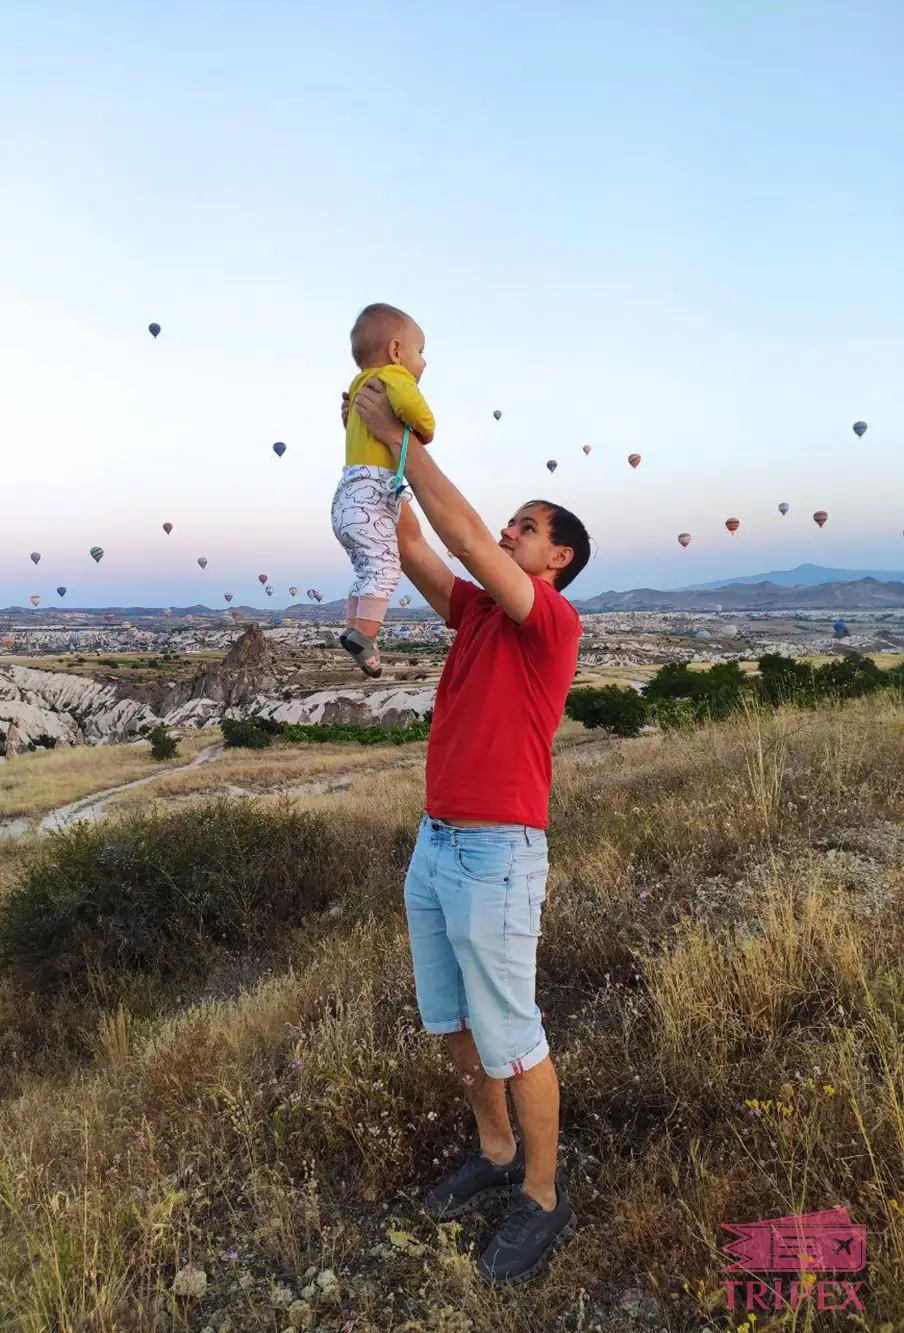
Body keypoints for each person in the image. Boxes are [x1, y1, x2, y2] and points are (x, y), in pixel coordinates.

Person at [344, 377, 592, 1284]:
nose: (513, 532)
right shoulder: (482, 611)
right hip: (437, 842)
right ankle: (492, 1150)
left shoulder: (547, 621)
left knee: (513, 1031)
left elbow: (464, 536)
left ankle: (541, 1193)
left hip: (496, 855)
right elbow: (418, 546)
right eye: (514, 523)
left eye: (530, 527)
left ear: (556, 557)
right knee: (450, 1022)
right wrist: (369, 470)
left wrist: (404, 438)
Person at [332, 303, 435, 678]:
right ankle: (364, 635)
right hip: (373, 493)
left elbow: (360, 433)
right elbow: (415, 410)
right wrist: (426, 428)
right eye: (420, 351)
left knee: (366, 566)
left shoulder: (360, 387)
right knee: (386, 568)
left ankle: (354, 629)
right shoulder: (394, 377)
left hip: (348, 494)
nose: (423, 362)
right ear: (396, 351)